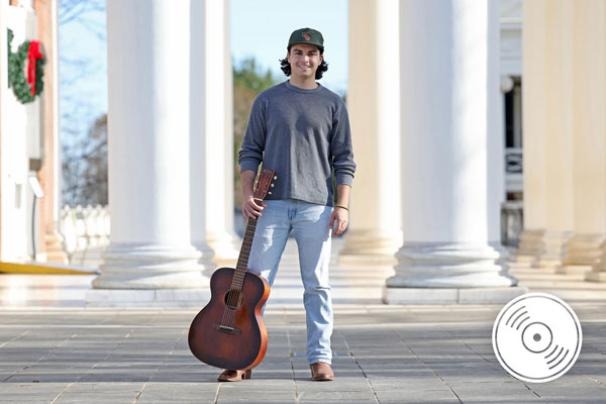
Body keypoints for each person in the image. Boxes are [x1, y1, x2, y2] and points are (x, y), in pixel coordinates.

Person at [218, 27, 356, 383]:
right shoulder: (268, 100)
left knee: (318, 286)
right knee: (254, 283)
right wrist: (247, 194)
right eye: (298, 52)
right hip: (271, 206)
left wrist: (342, 207)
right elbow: (249, 152)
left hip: (317, 207)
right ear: (289, 56)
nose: (304, 59)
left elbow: (344, 160)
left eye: (311, 53)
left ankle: (320, 359)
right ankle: (240, 357)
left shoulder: (332, 103)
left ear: (320, 59)